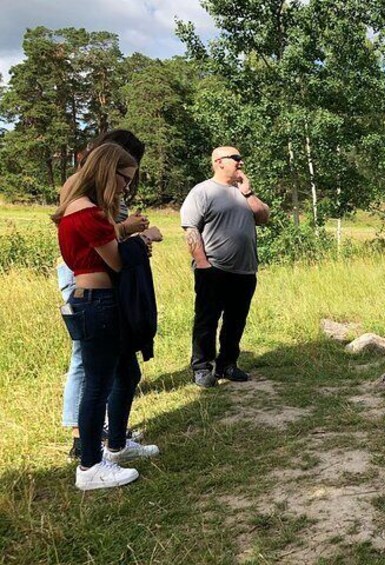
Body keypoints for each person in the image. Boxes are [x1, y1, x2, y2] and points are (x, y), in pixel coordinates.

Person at [53, 144, 161, 490]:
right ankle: (89, 466)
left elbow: (104, 248)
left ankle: (116, 444)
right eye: (124, 179)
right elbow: (115, 261)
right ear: (106, 171)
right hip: (97, 302)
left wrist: (125, 232)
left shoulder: (82, 209)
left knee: (127, 373)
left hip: (98, 300)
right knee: (97, 385)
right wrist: (143, 237)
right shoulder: (88, 213)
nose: (127, 186)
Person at [180, 146, 270, 388]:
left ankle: (227, 364)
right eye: (236, 158)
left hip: (245, 270)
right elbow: (190, 229)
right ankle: (202, 367)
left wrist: (249, 192)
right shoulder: (203, 191)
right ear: (219, 162)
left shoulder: (242, 193)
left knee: (236, 320)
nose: (240, 163)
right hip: (214, 269)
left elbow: (263, 217)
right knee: (206, 320)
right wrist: (203, 265)